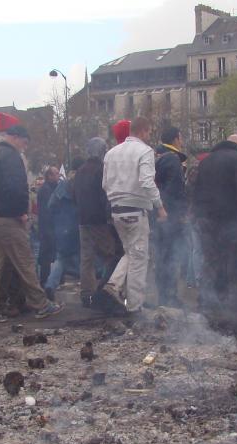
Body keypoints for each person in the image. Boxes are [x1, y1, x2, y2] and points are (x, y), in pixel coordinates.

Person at [0, 124, 62, 324]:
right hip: (8, 219)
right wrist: (21, 212)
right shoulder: (11, 157)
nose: (24, 147)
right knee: (25, 262)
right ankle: (41, 305)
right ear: (15, 137)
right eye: (24, 142)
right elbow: (16, 188)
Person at [100, 118, 166, 315]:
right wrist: (160, 206)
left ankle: (114, 284)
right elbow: (147, 181)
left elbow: (105, 184)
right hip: (136, 210)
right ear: (143, 131)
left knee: (131, 252)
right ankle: (135, 306)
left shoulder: (111, 153)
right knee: (139, 258)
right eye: (149, 132)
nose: (149, 136)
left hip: (117, 210)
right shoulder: (144, 151)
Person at [191, 134, 237, 313]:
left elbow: (196, 189)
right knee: (234, 260)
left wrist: (195, 214)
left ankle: (207, 301)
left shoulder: (206, 161)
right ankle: (235, 302)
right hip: (230, 218)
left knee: (210, 260)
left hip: (206, 218)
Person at [72, 137, 118, 308]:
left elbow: (74, 195)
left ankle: (86, 294)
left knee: (87, 259)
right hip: (99, 221)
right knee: (111, 255)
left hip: (83, 220)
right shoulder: (101, 169)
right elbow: (105, 197)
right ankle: (106, 291)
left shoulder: (80, 170)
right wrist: (109, 218)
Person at [154, 127, 189, 307]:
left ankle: (163, 295)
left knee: (162, 255)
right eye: (181, 137)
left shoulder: (157, 157)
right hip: (170, 216)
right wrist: (181, 213)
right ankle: (170, 296)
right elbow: (176, 189)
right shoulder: (173, 159)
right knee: (171, 255)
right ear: (176, 139)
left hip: (159, 214)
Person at [44, 158, 83, 300]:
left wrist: (58, 219)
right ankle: (88, 288)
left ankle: (50, 284)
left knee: (61, 258)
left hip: (62, 227)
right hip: (78, 225)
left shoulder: (63, 185)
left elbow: (51, 204)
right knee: (85, 257)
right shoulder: (82, 184)